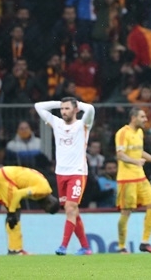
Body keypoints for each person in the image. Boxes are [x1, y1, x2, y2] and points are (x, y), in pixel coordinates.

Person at [34, 97, 96, 255]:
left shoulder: (83, 124)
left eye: (67, 109)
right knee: (72, 211)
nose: (63, 112)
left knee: (70, 208)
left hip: (77, 172)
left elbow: (91, 109)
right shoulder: (57, 123)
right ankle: (86, 247)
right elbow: (38, 106)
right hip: (61, 173)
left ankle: (63, 246)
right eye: (62, 109)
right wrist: (58, 103)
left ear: (75, 110)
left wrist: (77, 104)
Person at [114, 107, 151, 254]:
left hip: (140, 177)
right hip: (126, 179)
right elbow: (120, 155)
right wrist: (135, 162)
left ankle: (145, 243)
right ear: (133, 118)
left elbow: (139, 152)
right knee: (126, 211)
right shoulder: (122, 133)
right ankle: (122, 247)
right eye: (142, 117)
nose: (146, 120)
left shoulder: (139, 132)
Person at [0, 166, 60, 255]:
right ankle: (15, 250)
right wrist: (11, 212)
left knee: (14, 215)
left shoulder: (44, 187)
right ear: (49, 203)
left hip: (4, 174)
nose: (43, 209)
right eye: (46, 209)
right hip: (5, 177)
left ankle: (15, 249)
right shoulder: (42, 190)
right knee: (14, 215)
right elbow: (18, 194)